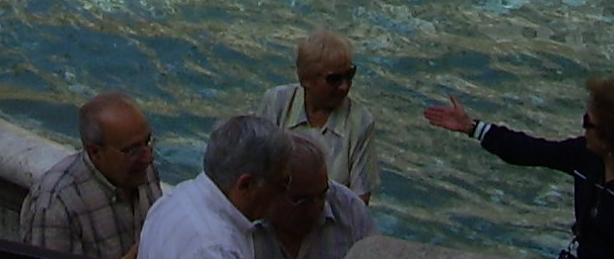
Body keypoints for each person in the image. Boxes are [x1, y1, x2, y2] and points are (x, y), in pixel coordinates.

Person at [424, 77, 614, 259]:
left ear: (609, 136)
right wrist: (472, 127)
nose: (583, 128)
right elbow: (532, 150)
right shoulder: (586, 157)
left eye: (588, 122)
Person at [20, 91, 163, 259]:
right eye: (132, 151)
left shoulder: (143, 169)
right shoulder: (56, 205)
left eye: (148, 142)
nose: (148, 157)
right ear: (95, 152)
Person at [137, 115, 292, 259]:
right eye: (282, 184)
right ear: (246, 185)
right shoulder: (213, 248)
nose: (286, 194)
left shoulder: (173, 200)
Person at [258, 31, 377, 201]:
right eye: (334, 79)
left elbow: (359, 200)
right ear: (306, 80)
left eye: (349, 74)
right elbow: (257, 169)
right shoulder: (276, 102)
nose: (344, 86)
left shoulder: (361, 122)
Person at [253, 133, 374, 259]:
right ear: (271, 192)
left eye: (322, 196)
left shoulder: (350, 211)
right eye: (302, 201)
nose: (315, 210)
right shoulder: (247, 219)